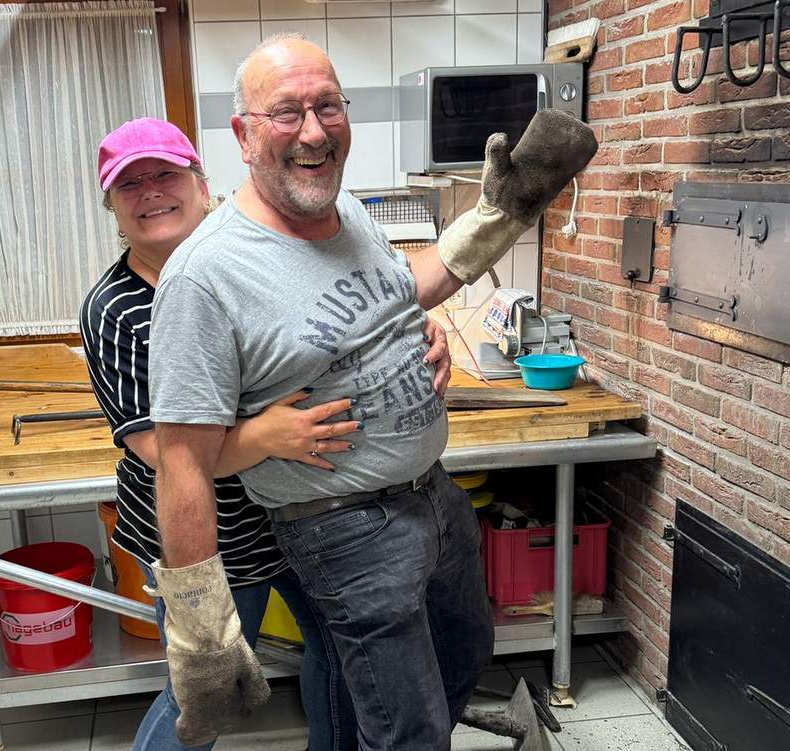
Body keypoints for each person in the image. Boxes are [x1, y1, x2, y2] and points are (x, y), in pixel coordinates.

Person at [145, 34, 597, 751]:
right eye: (287, 113)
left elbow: (395, 290)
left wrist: (497, 221)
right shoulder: (205, 277)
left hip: (433, 495)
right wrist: (201, 630)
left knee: (463, 658)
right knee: (409, 728)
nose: (314, 132)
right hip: (345, 527)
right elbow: (181, 460)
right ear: (243, 134)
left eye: (328, 106)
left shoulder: (342, 209)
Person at [79, 117, 454, 750]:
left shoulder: (271, 251)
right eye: (130, 185)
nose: (152, 193)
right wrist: (266, 437)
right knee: (206, 689)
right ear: (113, 209)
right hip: (216, 538)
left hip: (310, 516)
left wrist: (413, 329)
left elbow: (348, 319)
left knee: (339, 657)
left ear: (202, 186)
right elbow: (162, 453)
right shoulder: (116, 308)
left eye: (166, 175)